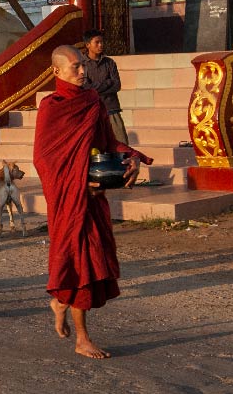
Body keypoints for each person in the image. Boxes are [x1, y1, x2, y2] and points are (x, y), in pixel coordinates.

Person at [33, 46, 152, 360]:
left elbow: (108, 142)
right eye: (75, 67)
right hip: (68, 196)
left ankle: (60, 301)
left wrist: (131, 157)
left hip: (93, 195)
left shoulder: (92, 102)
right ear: (57, 72)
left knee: (92, 258)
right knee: (77, 262)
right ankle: (82, 337)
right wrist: (75, 182)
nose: (82, 72)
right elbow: (43, 157)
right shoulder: (51, 107)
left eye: (83, 65)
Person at [82, 29, 128, 145]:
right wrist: (107, 83)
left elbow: (117, 85)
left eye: (102, 42)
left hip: (111, 109)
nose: (100, 45)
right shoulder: (82, 64)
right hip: (92, 111)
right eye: (97, 42)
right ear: (88, 45)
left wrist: (96, 87)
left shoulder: (110, 63)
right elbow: (85, 87)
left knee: (122, 144)